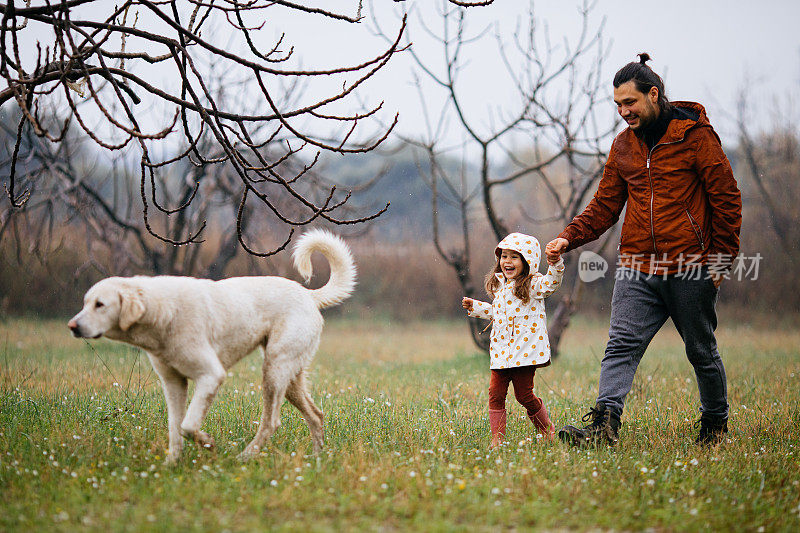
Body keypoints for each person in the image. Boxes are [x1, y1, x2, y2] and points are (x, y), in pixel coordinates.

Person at [546, 53, 742, 447]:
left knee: (700, 351)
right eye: (617, 104)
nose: (623, 111)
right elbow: (605, 205)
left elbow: (727, 200)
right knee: (620, 345)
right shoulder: (623, 147)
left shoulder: (696, 137)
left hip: (691, 268)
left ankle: (714, 425)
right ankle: (604, 425)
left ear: (654, 94)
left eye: (630, 102)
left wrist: (720, 263)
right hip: (637, 267)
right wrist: (569, 237)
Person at [462, 232, 565, 448]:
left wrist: (555, 264)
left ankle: (546, 428)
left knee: (524, 396)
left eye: (514, 257)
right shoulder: (500, 286)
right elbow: (498, 313)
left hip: (524, 353)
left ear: (527, 261)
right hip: (501, 352)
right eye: (504, 256)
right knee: (495, 394)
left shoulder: (533, 285)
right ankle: (497, 439)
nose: (507, 262)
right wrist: (476, 307)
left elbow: (552, 283)